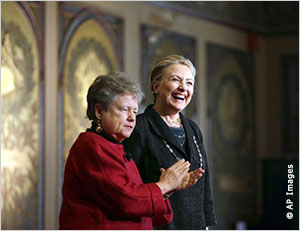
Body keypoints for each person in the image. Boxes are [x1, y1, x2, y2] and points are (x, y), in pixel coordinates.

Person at [59, 72, 203, 230]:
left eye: (134, 111)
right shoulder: (92, 146)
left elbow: (138, 204)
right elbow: (125, 200)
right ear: (99, 111)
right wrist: (164, 185)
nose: (132, 118)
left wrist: (168, 189)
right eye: (124, 110)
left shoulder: (114, 146)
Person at [123, 55, 217, 230]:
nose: (183, 87)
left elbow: (205, 185)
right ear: (156, 86)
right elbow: (129, 187)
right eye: (175, 80)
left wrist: (206, 225)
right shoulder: (139, 127)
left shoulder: (193, 128)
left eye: (189, 83)